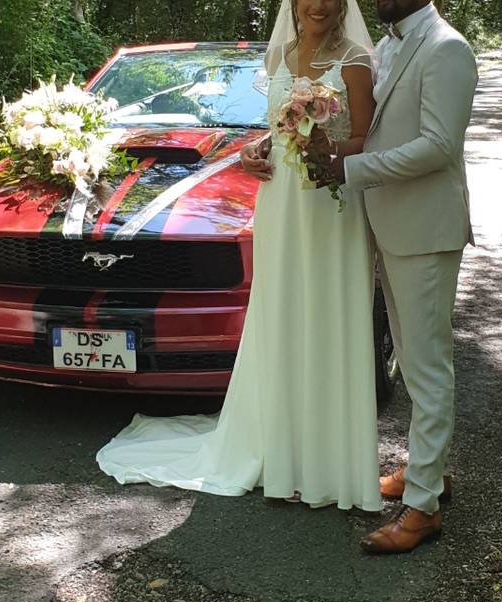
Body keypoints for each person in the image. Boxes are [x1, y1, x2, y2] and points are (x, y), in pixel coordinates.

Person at [96, 0, 383, 512]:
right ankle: (279, 446)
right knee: (281, 315)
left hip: (330, 204)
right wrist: (255, 152)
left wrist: (326, 151)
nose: (319, 5)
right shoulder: (278, 58)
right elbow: (272, 133)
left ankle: (329, 459)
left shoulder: (357, 61)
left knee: (328, 317)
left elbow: (364, 137)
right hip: (279, 204)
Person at [327, 0, 479, 553]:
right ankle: (426, 473)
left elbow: (440, 147)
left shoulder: (447, 49)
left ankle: (422, 511)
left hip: (425, 230)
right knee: (413, 365)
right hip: (391, 226)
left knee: (427, 366)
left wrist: (353, 169)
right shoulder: (389, 44)